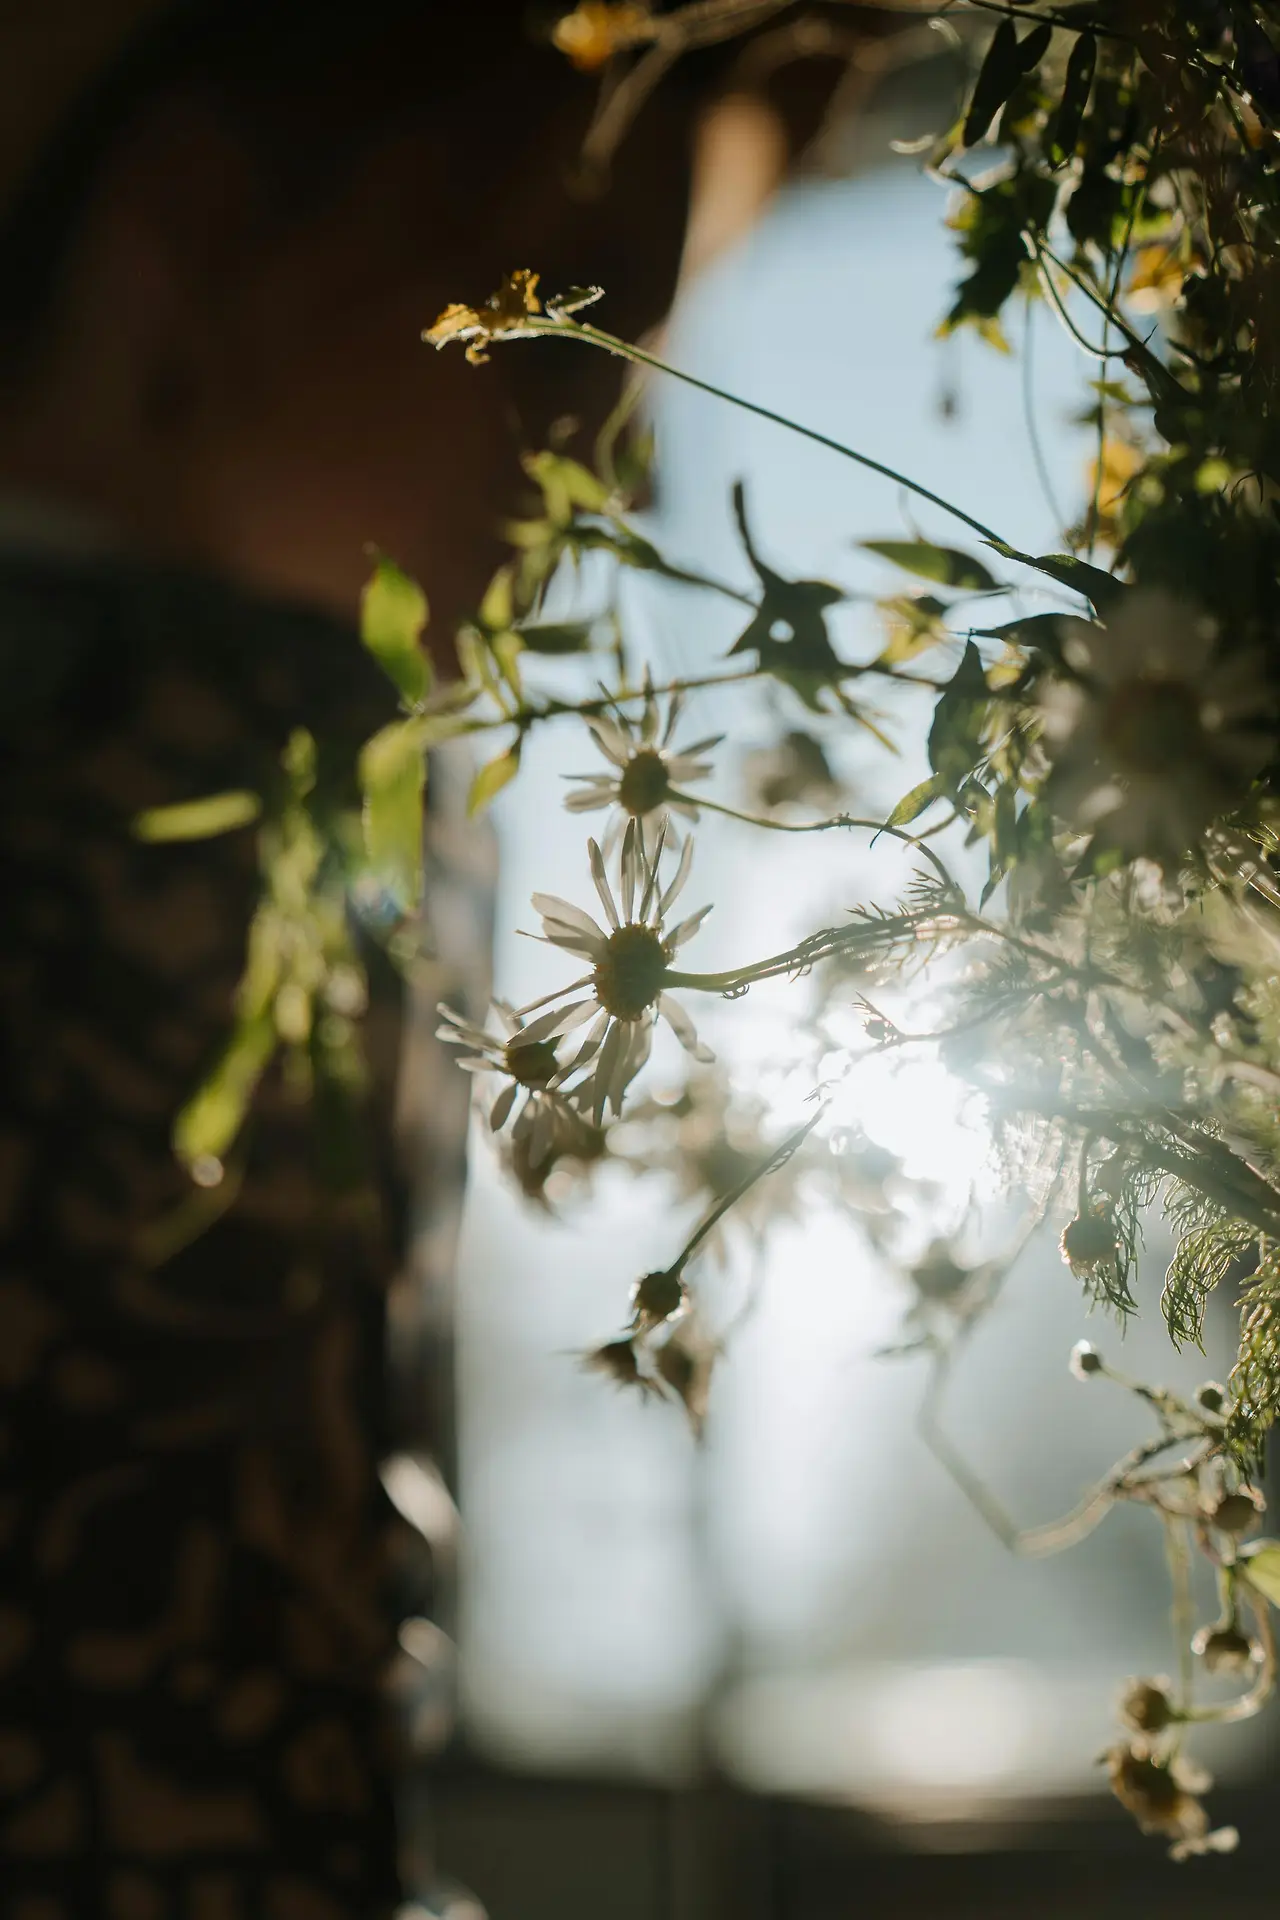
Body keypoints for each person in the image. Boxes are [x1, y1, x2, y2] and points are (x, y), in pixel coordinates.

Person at [0, 4, 712, 1914]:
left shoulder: (312, 768)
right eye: (554, 345)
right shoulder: (214, 758)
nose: (610, 482)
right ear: (201, 231)